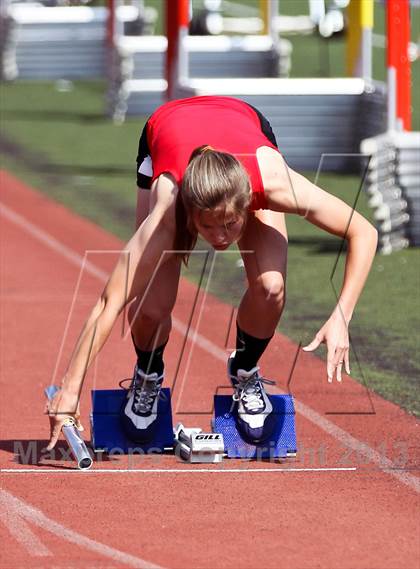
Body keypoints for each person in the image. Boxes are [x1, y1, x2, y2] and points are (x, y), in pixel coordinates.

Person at [46, 95, 378, 449]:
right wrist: (69, 389)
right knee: (151, 306)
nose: (221, 239)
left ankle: (245, 369)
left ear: (249, 204)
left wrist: (342, 315)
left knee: (271, 287)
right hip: (167, 128)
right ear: (191, 216)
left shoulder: (275, 183)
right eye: (208, 226)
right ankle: (148, 371)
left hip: (242, 122)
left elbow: (363, 230)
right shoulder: (168, 212)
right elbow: (108, 302)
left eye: (231, 224)